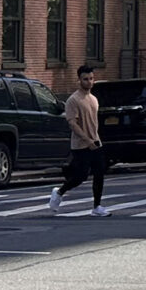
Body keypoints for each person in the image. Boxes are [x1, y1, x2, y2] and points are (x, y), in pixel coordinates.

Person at [51, 64, 110, 216]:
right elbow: (72, 123)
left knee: (99, 173)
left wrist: (94, 139)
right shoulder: (73, 100)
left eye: (91, 79)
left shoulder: (94, 99)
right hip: (80, 145)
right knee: (80, 176)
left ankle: (97, 207)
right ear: (79, 80)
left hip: (95, 141)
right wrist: (86, 140)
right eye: (85, 79)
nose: (89, 82)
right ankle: (59, 192)